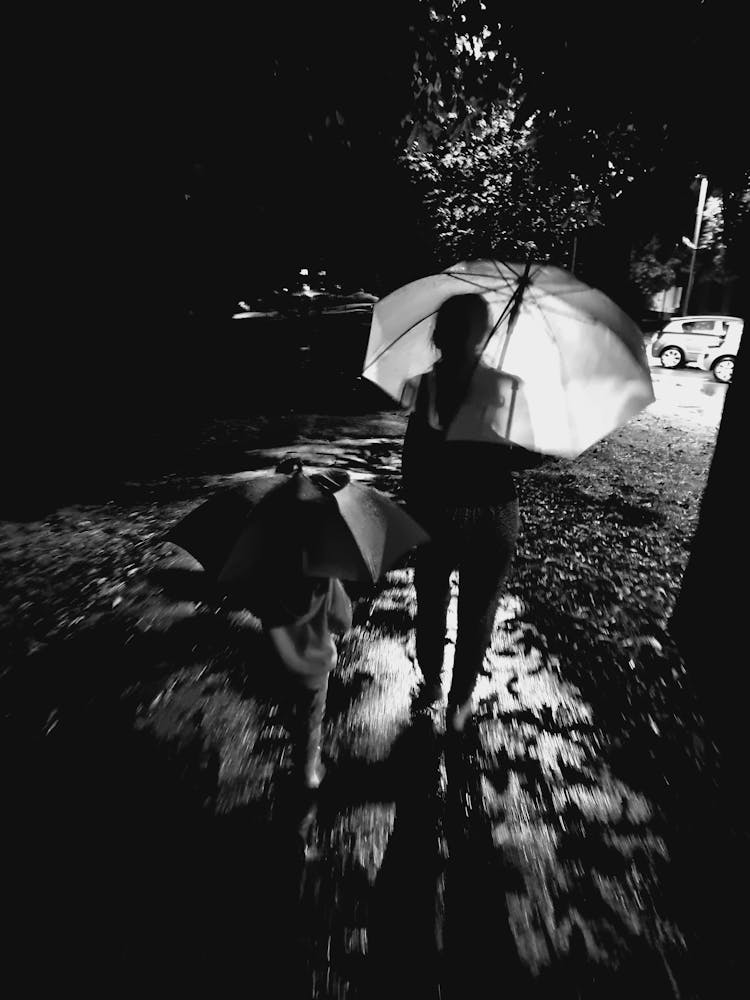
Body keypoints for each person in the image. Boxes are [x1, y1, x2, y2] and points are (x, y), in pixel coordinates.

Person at [401, 294, 543, 733]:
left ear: (440, 331)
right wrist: (497, 447)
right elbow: (531, 457)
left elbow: (415, 458)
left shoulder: (425, 384)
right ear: (484, 332)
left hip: (436, 509)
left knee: (432, 597)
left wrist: (415, 506)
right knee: (480, 608)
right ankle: (461, 700)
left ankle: (431, 681)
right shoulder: (507, 386)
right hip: (496, 511)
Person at [254, 458, 353, 789]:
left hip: (275, 663)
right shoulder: (324, 576)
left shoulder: (265, 574)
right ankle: (308, 773)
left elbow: (257, 609)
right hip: (314, 668)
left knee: (289, 711)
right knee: (312, 720)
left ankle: (292, 734)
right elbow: (342, 620)